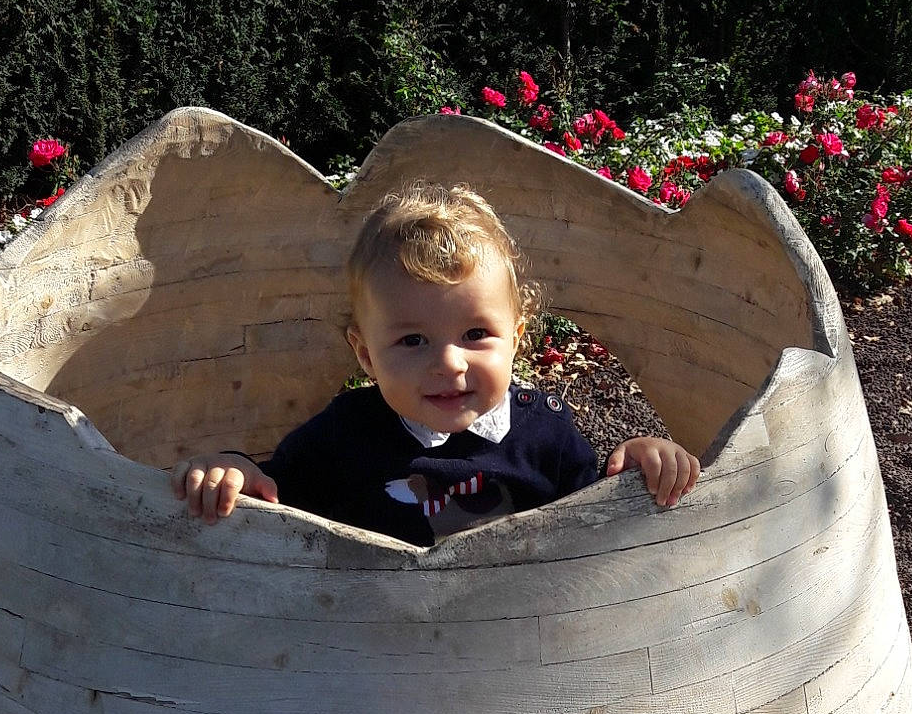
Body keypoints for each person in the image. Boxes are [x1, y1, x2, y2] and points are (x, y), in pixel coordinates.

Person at [172, 183, 700, 545]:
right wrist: (235, 470)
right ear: (365, 354)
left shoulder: (545, 431)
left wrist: (634, 461)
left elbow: (598, 515)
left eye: (475, 335)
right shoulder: (341, 437)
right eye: (412, 341)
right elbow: (276, 497)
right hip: (381, 660)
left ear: (515, 339)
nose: (448, 363)